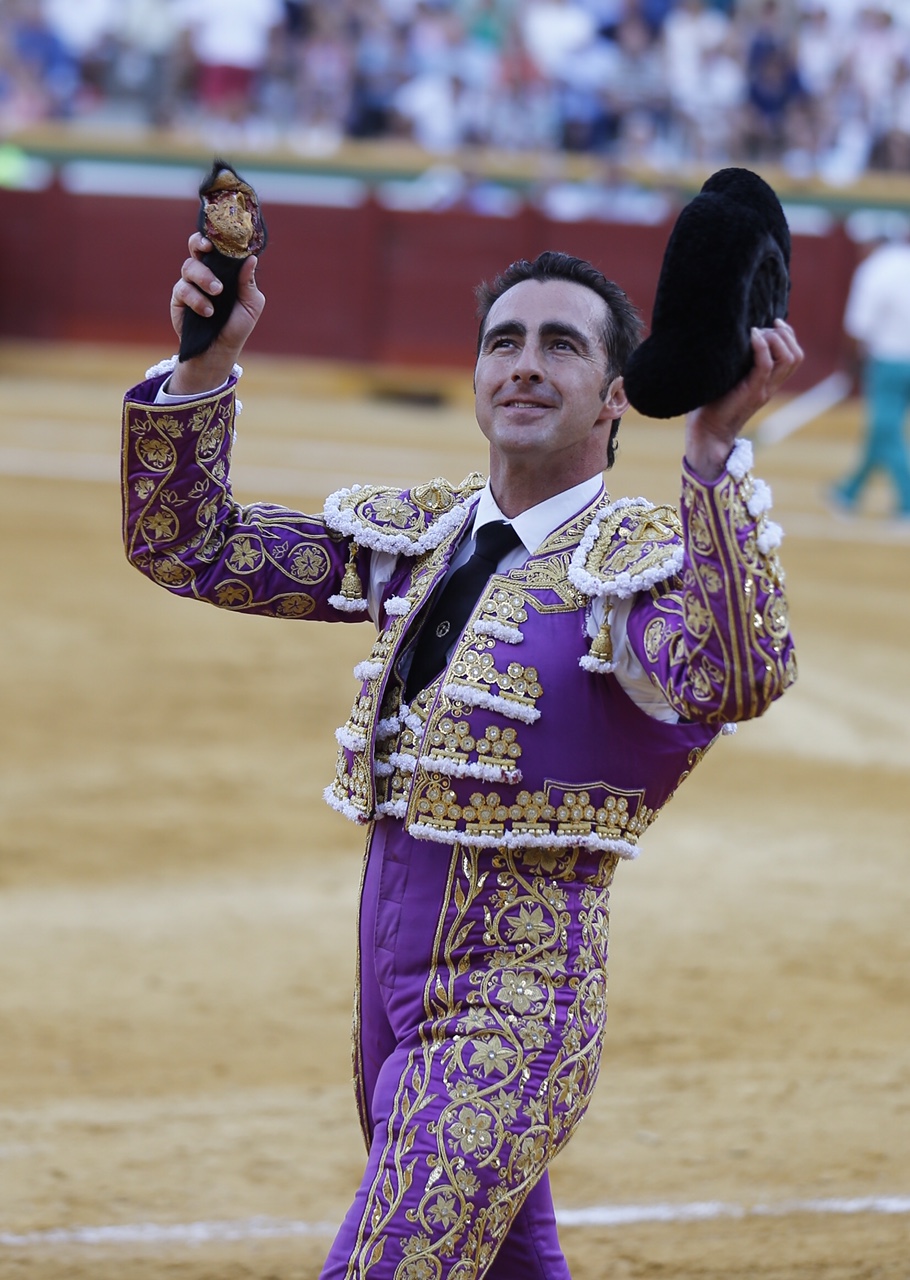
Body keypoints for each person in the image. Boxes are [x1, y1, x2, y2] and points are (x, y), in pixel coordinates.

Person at [121, 235, 802, 1279]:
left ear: (615, 395)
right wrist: (207, 363)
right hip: (385, 993)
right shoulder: (422, 540)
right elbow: (192, 545)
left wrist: (712, 455)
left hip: (516, 1008)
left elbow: (735, 675)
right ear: (478, 372)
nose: (524, 363)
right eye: (503, 341)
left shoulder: (632, 571)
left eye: (560, 346)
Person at [830, 229, 910, 519]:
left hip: (889, 361)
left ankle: (908, 500)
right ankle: (849, 491)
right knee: (883, 430)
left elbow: (858, 327)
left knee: (885, 431)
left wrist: (851, 366)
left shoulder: (874, 269)